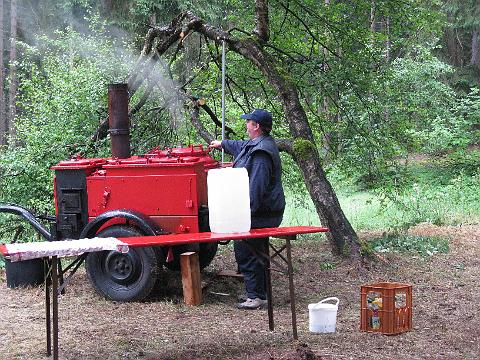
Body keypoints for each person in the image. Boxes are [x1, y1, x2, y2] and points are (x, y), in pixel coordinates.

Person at [209, 109, 286, 310]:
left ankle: (255, 297)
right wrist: (222, 144)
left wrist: (241, 214)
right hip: (262, 212)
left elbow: (256, 190)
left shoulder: (261, 154)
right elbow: (242, 147)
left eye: (248, 122)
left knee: (246, 250)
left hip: (262, 214)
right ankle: (259, 293)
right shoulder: (258, 144)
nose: (246, 124)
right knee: (254, 251)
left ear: (256, 126)